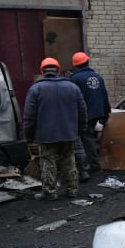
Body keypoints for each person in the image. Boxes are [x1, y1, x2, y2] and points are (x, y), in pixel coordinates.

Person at [24, 58, 87, 201]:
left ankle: (50, 192)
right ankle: (72, 190)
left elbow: (29, 116)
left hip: (46, 135)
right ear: (58, 71)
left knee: (48, 162)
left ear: (42, 71)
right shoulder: (72, 87)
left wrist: (28, 135)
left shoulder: (36, 89)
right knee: (69, 161)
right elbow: (82, 110)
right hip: (69, 133)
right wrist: (80, 129)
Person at [70, 52, 111, 175]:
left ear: (76, 65)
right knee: (89, 137)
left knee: (85, 139)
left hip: (84, 114)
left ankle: (93, 165)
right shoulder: (97, 77)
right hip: (97, 113)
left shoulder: (75, 79)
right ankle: (91, 162)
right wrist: (106, 113)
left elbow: (73, 99)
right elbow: (104, 95)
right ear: (87, 61)